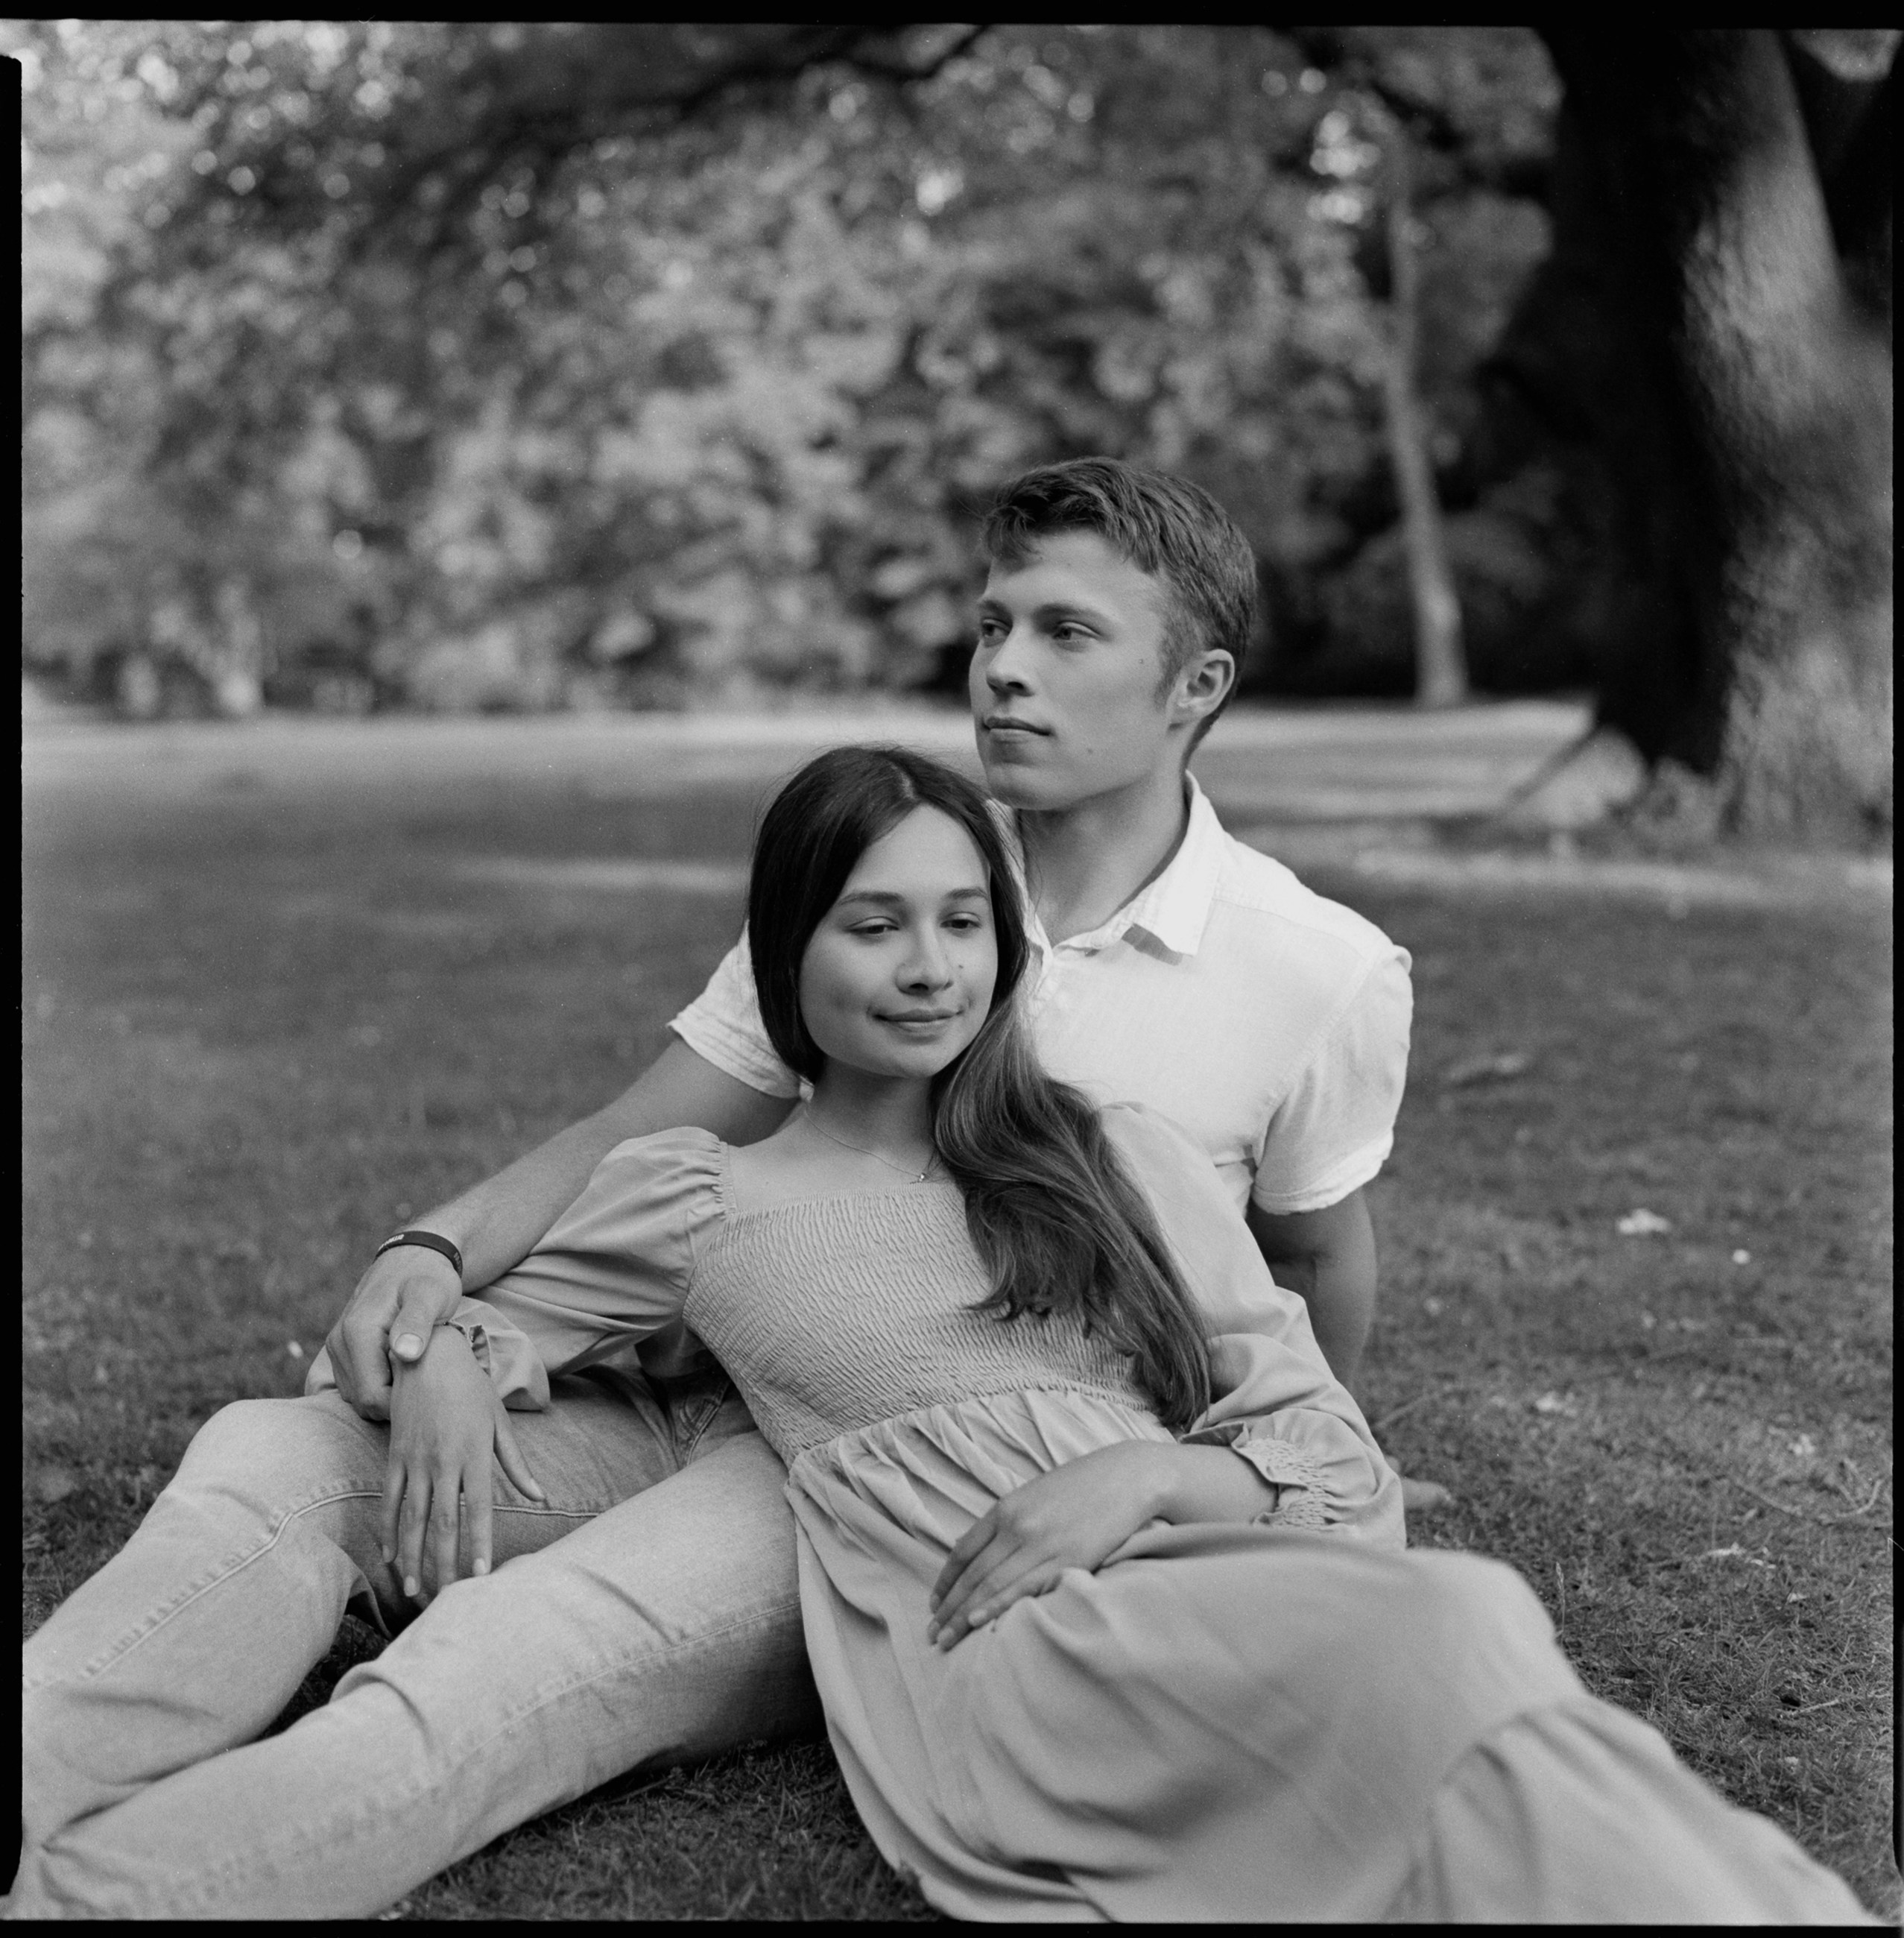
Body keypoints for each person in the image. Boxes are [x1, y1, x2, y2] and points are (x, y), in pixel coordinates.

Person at [16, 747, 1870, 1922]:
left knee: (1474, 1635)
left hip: (1173, 1560)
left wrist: (1146, 1475)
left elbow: (1322, 1452)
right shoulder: (698, 1195)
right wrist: (438, 1370)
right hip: (977, 1622)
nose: (924, 964)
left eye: (963, 922)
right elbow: (497, 1322)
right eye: (873, 922)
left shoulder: (1111, 1154)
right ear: (784, 951)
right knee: (1469, 1657)